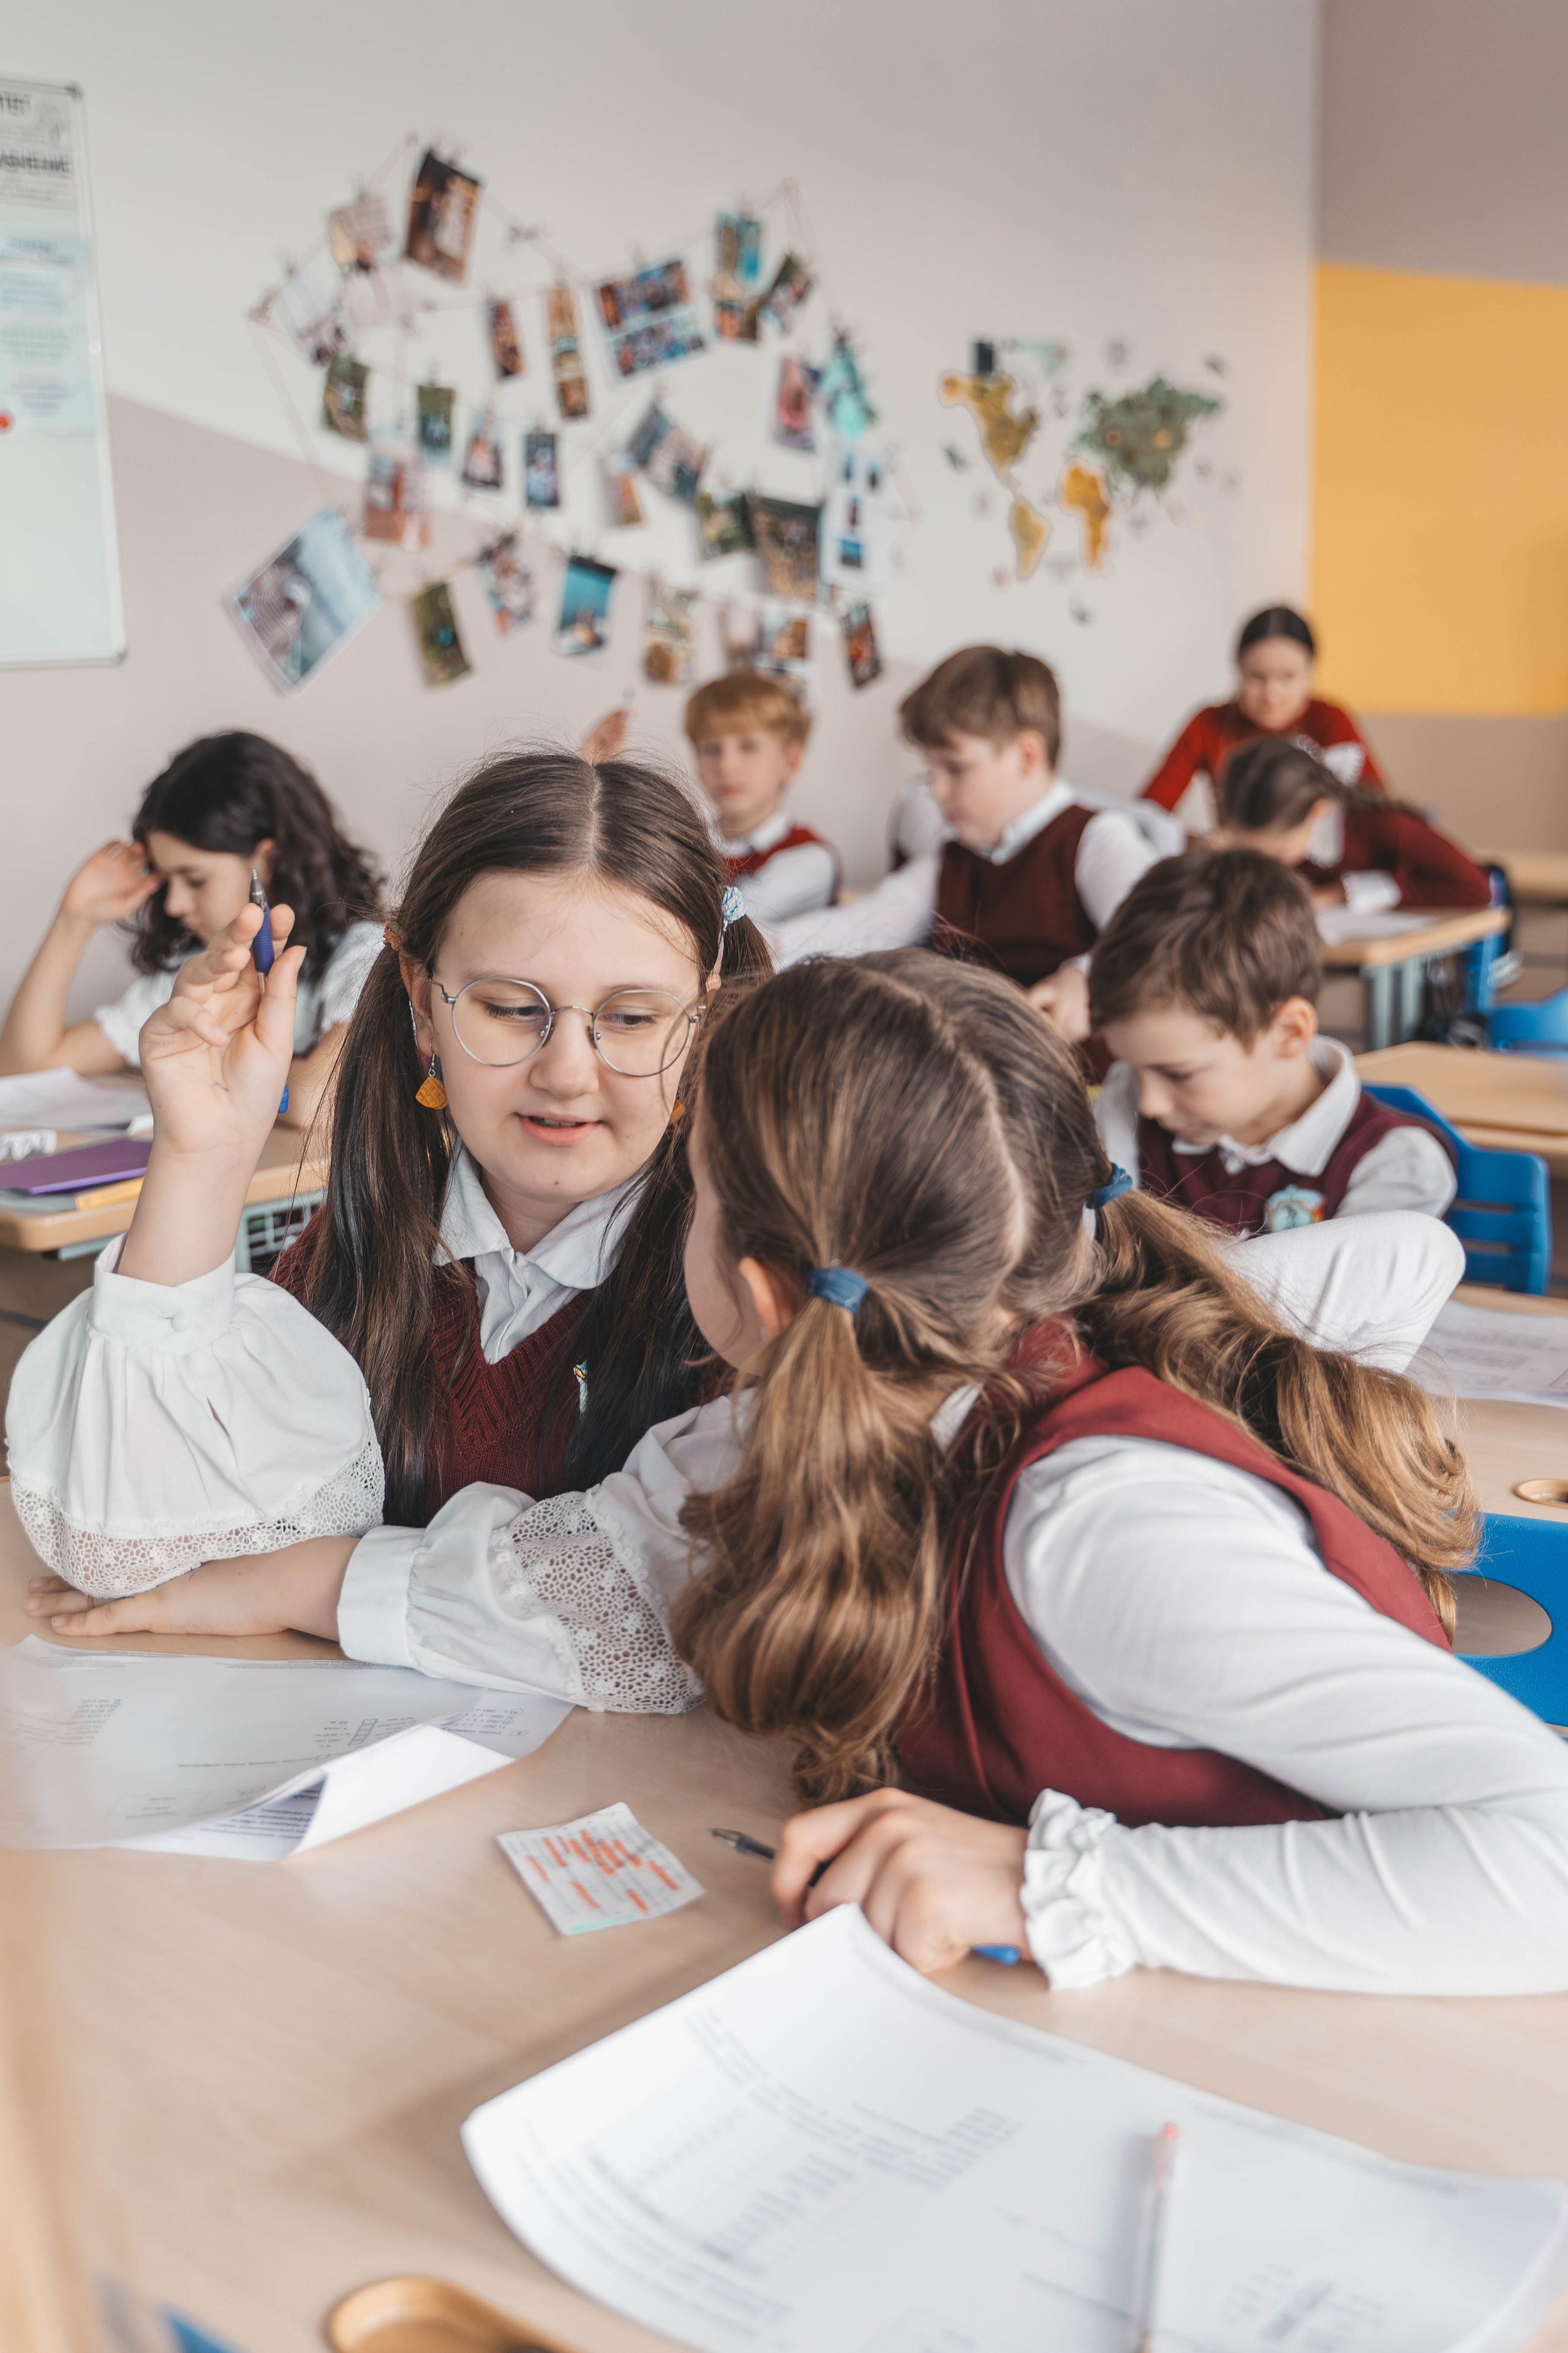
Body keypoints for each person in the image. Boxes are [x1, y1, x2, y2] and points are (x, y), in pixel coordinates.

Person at [24, 956, 1568, 2000]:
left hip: (1348, 2062)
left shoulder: (1100, 1525)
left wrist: (1046, 1885)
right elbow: (552, 1577)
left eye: (689, 1193)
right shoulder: (797, 1427)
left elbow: (1541, 1862)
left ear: (757, 1287)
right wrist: (262, 1584)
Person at [6, 749, 768, 1593]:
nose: (566, 1073)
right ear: (423, 1004)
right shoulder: (355, 1249)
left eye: (632, 1018)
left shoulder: (748, 1303)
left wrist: (315, 1588)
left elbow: (677, 1595)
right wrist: (202, 1157)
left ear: (702, 1017)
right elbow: (126, 1542)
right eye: (512, 1008)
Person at [772, 646, 1158, 1042]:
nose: (936, 791)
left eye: (955, 768)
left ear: (1026, 756)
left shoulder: (1096, 839)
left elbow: (1158, 936)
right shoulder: (953, 858)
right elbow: (864, 925)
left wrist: (1087, 977)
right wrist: (768, 945)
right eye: (931, 770)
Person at [0, 734, 385, 1130]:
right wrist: (74, 922)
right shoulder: (197, 973)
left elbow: (320, 1098)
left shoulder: (366, 953)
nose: (173, 904)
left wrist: (190, 1068)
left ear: (269, 859)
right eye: (167, 880)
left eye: (195, 880)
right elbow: (26, 1071)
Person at [1088, 848, 1457, 1232]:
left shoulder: (1394, 1167)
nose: (1149, 1103)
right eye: (1132, 1065)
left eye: (1177, 1074)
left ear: (1288, 1033)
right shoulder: (1126, 1098)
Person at [1141, 605, 1386, 819]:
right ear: (1238, 670)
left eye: (1288, 677)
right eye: (1257, 677)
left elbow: (1379, 812)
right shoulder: (1209, 723)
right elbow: (1148, 812)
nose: (1271, 694)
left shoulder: (1330, 720)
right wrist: (1204, 845)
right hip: (1239, 857)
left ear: (1310, 673)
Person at [1213, 736, 1491, 913]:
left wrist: (1336, 895)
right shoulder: (1257, 819)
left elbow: (1476, 889)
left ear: (1318, 812)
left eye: (1273, 854)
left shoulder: (1386, 827)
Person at [684, 672, 839, 924]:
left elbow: (724, 924)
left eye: (748, 747)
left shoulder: (809, 858)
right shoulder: (684, 843)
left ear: (791, 761)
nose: (726, 766)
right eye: (712, 750)